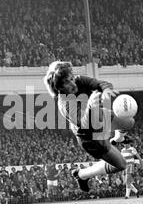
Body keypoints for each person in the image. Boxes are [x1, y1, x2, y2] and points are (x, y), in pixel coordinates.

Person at [44, 61, 136, 192]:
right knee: (121, 164)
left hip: (99, 116)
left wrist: (106, 90)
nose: (72, 83)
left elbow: (101, 83)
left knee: (129, 122)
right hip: (90, 137)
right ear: (59, 88)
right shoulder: (64, 104)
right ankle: (81, 175)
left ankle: (118, 138)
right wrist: (90, 107)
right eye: (66, 82)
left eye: (71, 78)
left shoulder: (79, 80)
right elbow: (85, 124)